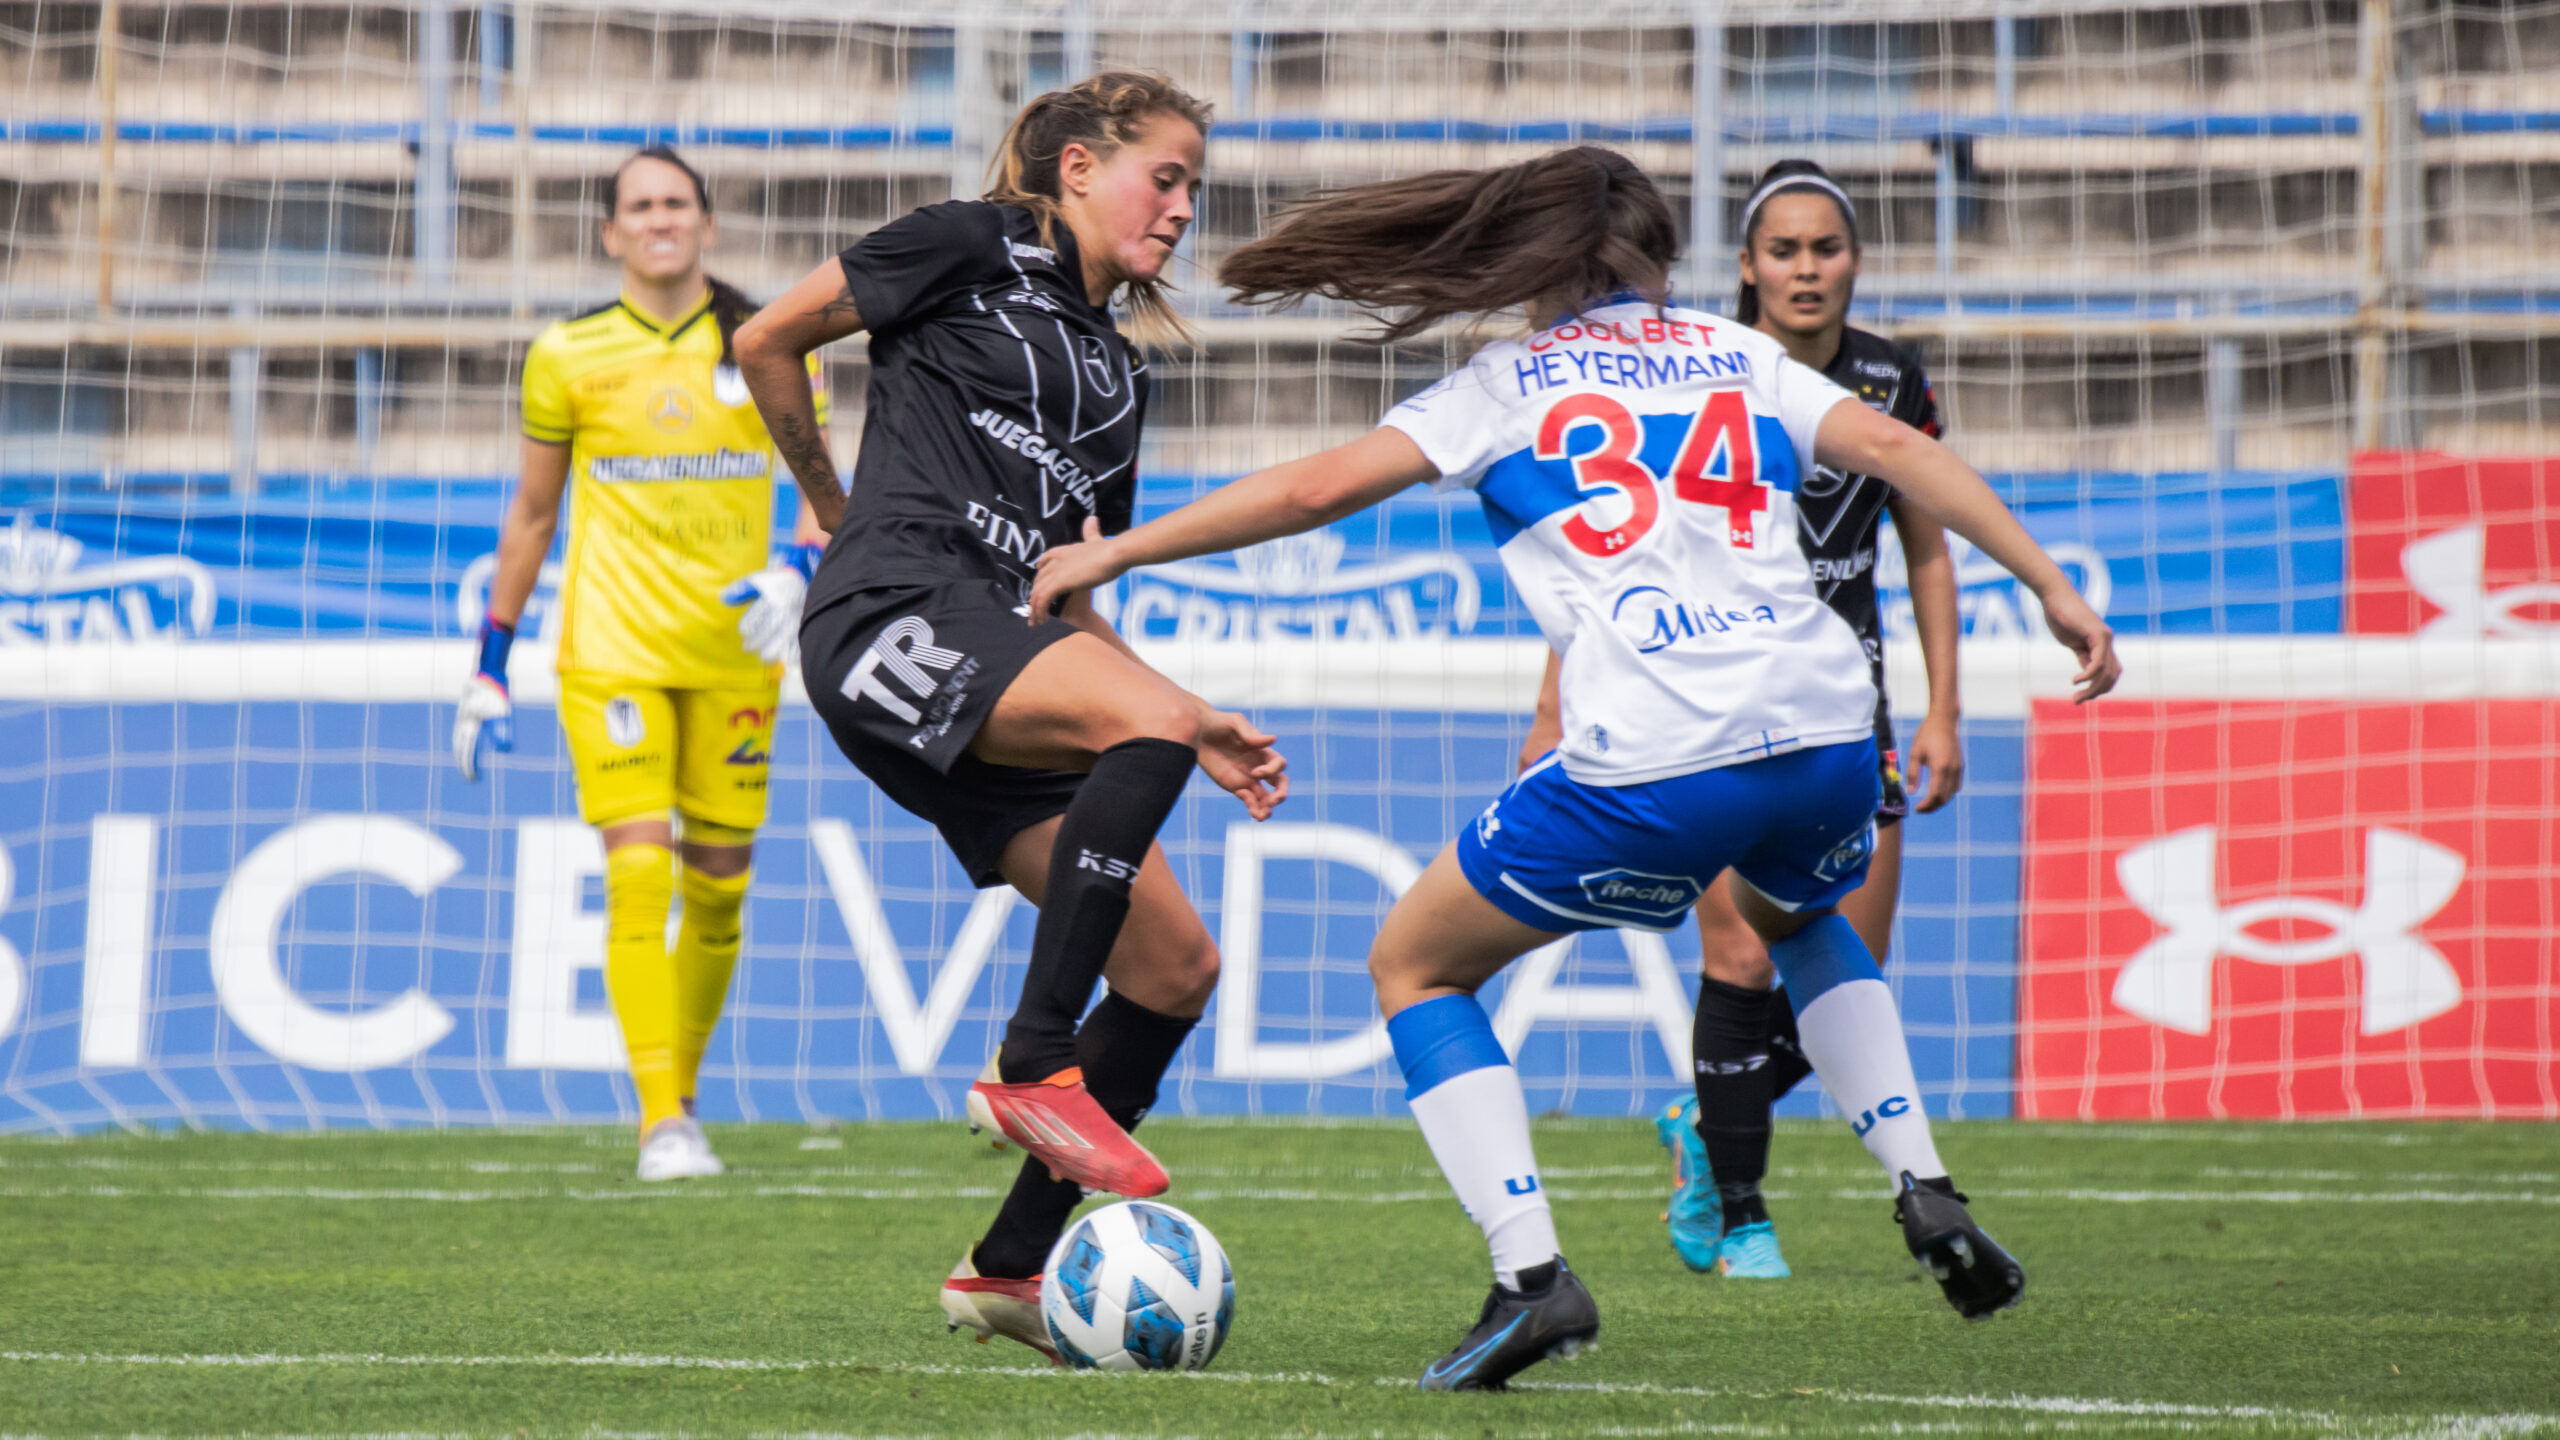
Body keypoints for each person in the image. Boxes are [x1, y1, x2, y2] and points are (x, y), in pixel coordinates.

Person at [1027, 145, 2119, 1390]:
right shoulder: (1735, 350)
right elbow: (1902, 452)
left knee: (1413, 964)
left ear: (1528, 264)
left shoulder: (1506, 381)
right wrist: (2049, 587)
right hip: (1825, 726)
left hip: (1658, 747)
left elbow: (1317, 487)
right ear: (1663, 259)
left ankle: (1531, 1280)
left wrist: (1116, 555)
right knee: (1804, 914)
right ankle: (1925, 1190)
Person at [730, 72, 1287, 1360]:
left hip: (1003, 644)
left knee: (1174, 965)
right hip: (892, 607)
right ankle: (1036, 1065)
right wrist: (829, 507)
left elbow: (1067, 590)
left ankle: (1006, 1268)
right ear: (1080, 168)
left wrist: (1191, 716)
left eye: (1196, 184)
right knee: (1134, 729)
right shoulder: (970, 241)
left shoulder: (1113, 373)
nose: (1184, 206)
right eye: (1168, 174)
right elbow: (766, 337)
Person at [1517, 158, 1968, 1281]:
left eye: (1826, 248)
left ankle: (1703, 1121)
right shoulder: (1699, 366)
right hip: (1707, 696)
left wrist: (1944, 709)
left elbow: (1925, 550)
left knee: (1849, 966)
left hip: (1845, 708)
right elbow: (1603, 546)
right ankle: (1743, 1211)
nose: (1807, 269)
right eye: (1784, 250)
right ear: (1749, 268)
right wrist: (1551, 703)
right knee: (1741, 957)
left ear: (1853, 261)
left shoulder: (1888, 382)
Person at [452, 147, 831, 1182]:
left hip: (734, 656)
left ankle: (682, 1100)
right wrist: (491, 658)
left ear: (705, 223)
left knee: (716, 889)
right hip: (610, 655)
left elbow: (821, 479)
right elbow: (532, 515)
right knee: (636, 869)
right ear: (610, 234)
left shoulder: (767, 343)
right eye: (639, 206)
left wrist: (801, 569)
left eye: (676, 202)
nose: (659, 219)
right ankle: (660, 1120)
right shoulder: (567, 354)